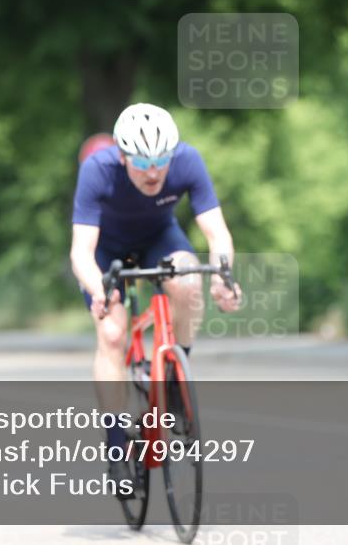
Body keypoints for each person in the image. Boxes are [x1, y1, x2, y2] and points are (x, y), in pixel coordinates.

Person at [69, 103, 241, 496]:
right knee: (112, 333)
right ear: (122, 155)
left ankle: (176, 374)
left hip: (158, 240)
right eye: (143, 161)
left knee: (188, 280)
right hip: (104, 252)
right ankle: (116, 444)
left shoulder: (188, 161)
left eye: (161, 160)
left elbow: (216, 234)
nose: (153, 171)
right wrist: (99, 289)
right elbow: (80, 252)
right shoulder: (98, 170)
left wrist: (225, 277)